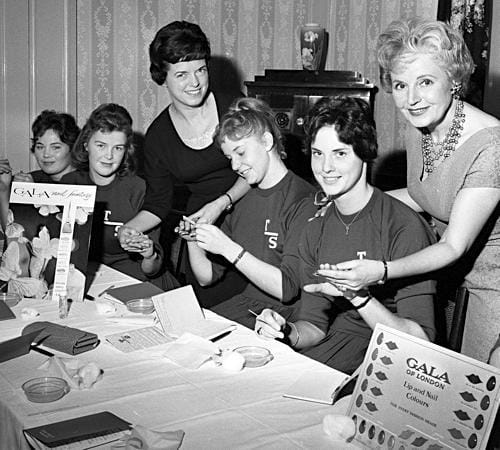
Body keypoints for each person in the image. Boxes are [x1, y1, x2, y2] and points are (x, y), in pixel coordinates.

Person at [319, 18, 500, 364]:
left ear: (455, 80)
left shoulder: (491, 145)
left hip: (492, 287)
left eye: (426, 82)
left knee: (476, 397)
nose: (411, 99)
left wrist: (382, 270)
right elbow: (423, 195)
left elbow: (453, 245)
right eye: (401, 85)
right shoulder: (419, 128)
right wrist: (348, 201)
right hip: (443, 280)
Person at [255, 96, 436, 374]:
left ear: (365, 153)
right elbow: (313, 326)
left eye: (340, 154)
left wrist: (358, 296)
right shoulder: (314, 227)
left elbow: (420, 342)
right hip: (333, 346)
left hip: (390, 356)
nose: (325, 167)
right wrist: (286, 331)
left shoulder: (403, 226)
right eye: (318, 153)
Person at [117, 20, 250, 302]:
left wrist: (222, 203)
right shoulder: (158, 137)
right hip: (202, 234)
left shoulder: (234, 106)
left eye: (200, 70)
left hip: (252, 216)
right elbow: (158, 203)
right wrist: (130, 229)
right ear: (162, 77)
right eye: (181, 74)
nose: (195, 83)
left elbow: (260, 170)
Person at [184, 97, 316, 329]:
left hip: (291, 318)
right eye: (229, 158)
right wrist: (193, 239)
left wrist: (226, 247)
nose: (234, 166)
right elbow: (206, 277)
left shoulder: (303, 200)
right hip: (248, 306)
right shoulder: (242, 200)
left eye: (241, 153)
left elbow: (286, 289)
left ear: (266, 141)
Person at [61, 103, 178, 290]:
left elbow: (153, 270)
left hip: (137, 283)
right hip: (85, 281)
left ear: (126, 151)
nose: (109, 156)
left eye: (118, 148)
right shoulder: (69, 185)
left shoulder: (140, 189)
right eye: (101, 145)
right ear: (86, 144)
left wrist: (149, 255)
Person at [1, 110, 80, 232]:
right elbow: (10, 231)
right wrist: (5, 189)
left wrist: (36, 197)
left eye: (56, 147)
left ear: (72, 148)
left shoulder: (87, 183)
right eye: (40, 147)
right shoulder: (30, 180)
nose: (46, 154)